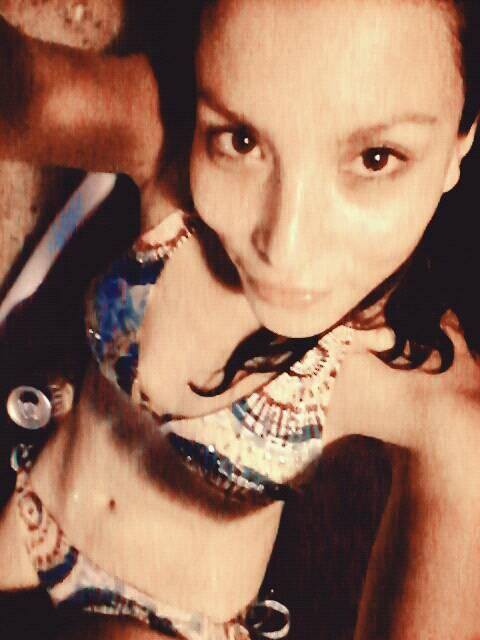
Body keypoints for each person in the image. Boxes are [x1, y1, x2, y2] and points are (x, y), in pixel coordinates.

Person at [0, 1, 480, 638]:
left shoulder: (433, 393)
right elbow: (26, 91)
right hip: (27, 514)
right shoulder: (174, 149)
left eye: (375, 158)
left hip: (167, 621)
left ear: (459, 144)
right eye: (243, 141)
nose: (285, 247)